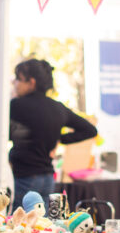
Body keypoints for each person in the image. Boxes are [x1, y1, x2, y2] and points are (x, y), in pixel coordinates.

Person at [9, 58, 98, 211]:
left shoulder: (17, 106)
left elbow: (7, 134)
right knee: (42, 227)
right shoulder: (57, 108)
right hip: (47, 177)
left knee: (21, 227)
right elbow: (90, 130)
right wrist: (60, 138)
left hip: (25, 176)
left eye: (18, 79)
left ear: (31, 82)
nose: (14, 83)